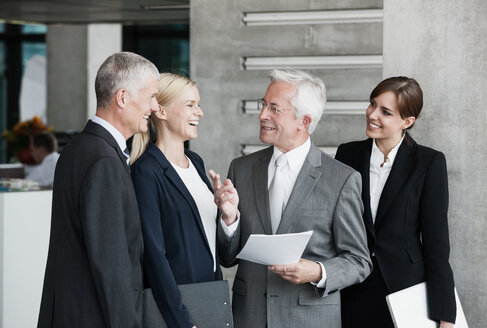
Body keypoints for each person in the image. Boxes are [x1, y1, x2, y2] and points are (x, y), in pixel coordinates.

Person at [212, 69, 372, 328]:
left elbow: (359, 261)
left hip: (309, 319)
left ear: (304, 121)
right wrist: (229, 218)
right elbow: (227, 258)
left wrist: (318, 272)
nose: (263, 115)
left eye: (275, 108)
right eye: (263, 105)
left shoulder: (341, 179)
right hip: (250, 317)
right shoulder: (240, 169)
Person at [37, 52, 160, 328]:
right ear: (123, 97)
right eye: (151, 96)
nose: (154, 106)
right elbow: (111, 265)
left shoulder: (79, 148)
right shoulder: (103, 159)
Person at [335, 76, 456, 328]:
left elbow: (436, 244)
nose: (372, 114)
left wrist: (446, 317)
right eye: (372, 104)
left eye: (385, 112)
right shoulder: (347, 154)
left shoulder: (429, 162)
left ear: (407, 121)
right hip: (351, 286)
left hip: (404, 289)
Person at [131, 73, 234, 328]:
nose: (199, 112)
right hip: (178, 309)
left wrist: (227, 215)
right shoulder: (146, 171)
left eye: (198, 104)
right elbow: (154, 256)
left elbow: (209, 243)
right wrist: (180, 320)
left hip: (209, 297)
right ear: (161, 111)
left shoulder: (196, 163)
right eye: (190, 105)